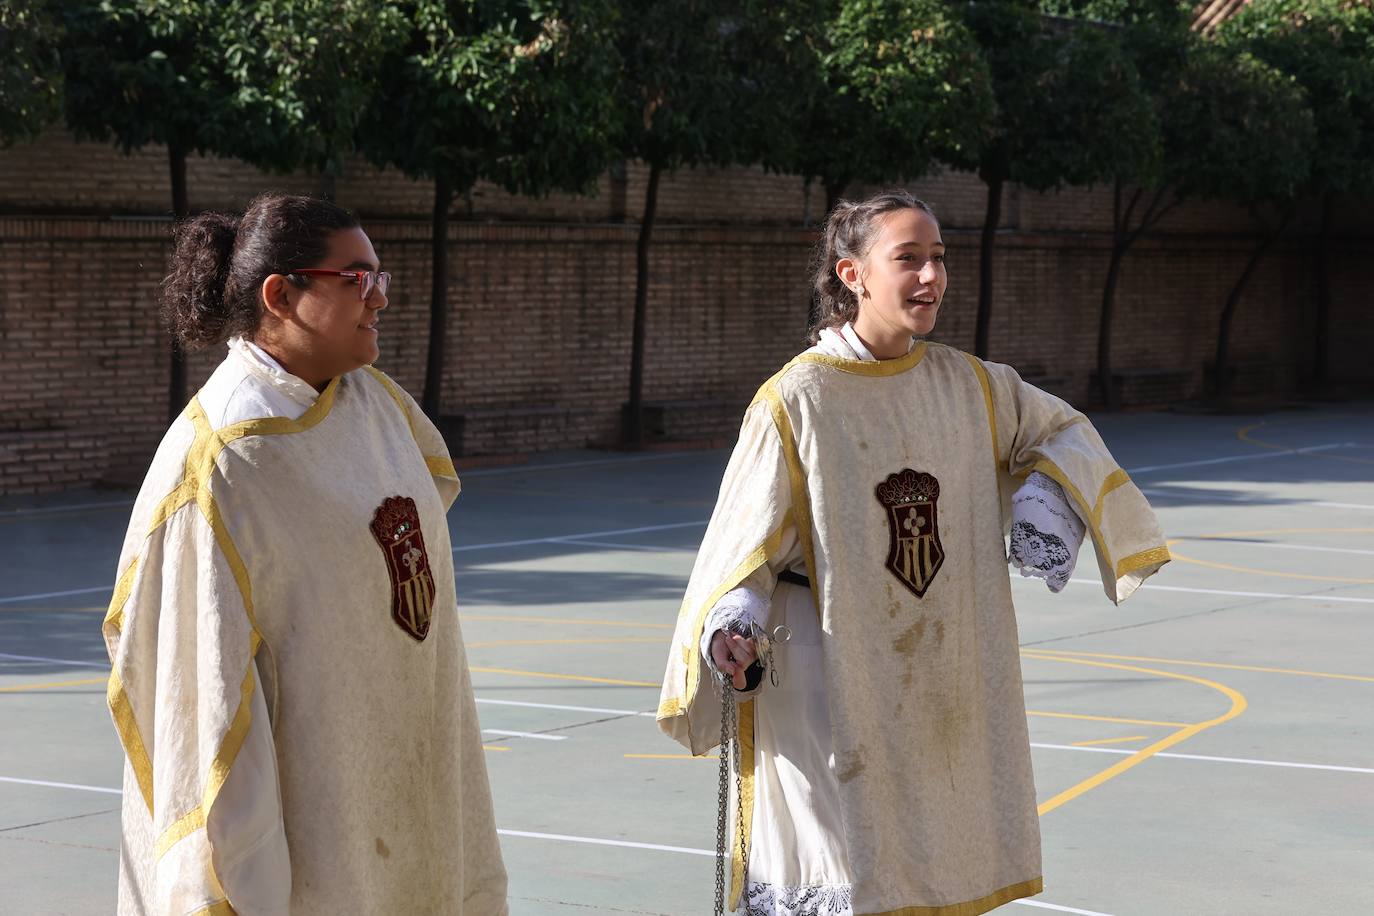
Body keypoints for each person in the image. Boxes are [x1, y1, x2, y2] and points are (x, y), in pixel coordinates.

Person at [657, 190, 1169, 916]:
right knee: (845, 863)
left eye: (940, 259)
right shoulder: (795, 400)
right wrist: (734, 623)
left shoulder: (971, 385)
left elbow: (1061, 431)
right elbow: (743, 543)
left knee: (926, 855)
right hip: (824, 675)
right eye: (908, 259)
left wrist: (1040, 502)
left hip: (938, 671)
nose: (931, 276)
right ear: (852, 273)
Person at [103, 193, 508, 915]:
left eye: (382, 276)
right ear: (281, 296)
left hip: (415, 781)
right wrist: (248, 886)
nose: (380, 298)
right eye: (358, 278)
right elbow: (213, 703)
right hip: (314, 833)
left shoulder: (379, 404)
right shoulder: (220, 466)